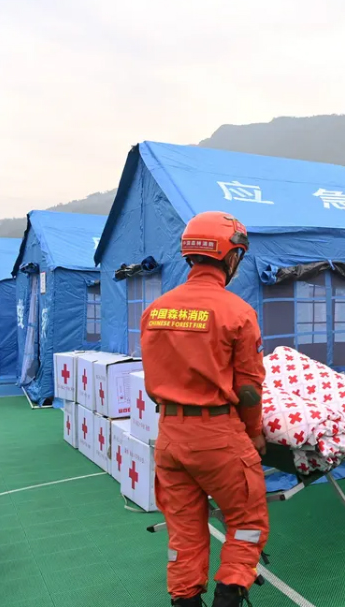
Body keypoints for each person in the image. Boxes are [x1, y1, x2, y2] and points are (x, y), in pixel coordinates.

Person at [141, 211, 267, 607]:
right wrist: (255, 432)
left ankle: (185, 600)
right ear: (230, 256)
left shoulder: (156, 310)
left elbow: (153, 381)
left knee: (185, 534)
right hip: (218, 437)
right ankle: (230, 593)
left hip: (171, 439)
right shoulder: (237, 312)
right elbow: (248, 389)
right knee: (246, 522)